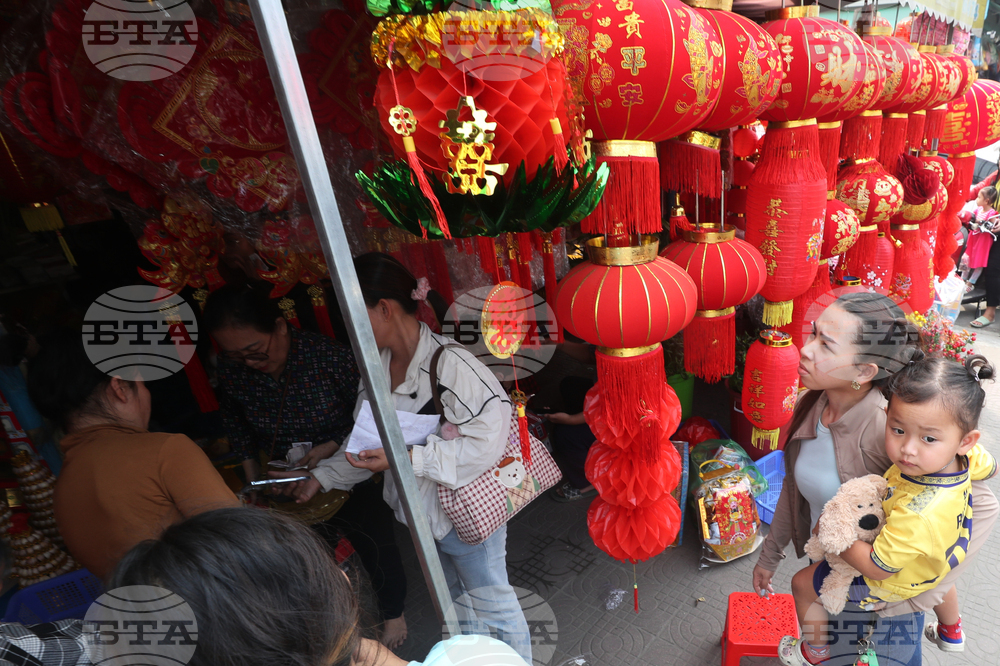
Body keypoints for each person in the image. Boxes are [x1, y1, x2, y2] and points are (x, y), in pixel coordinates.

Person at [286, 253, 532, 661]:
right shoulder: (377, 366)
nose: (348, 329)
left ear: (383, 308)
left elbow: (487, 441)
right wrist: (323, 477)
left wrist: (409, 459)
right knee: (455, 605)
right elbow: (367, 441)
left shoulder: (451, 364)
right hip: (421, 518)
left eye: (353, 315)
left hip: (466, 514)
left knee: (494, 604)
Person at [750, 292, 999, 654]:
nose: (806, 350)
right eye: (814, 334)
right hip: (836, 568)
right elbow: (793, 488)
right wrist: (769, 556)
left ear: (864, 372)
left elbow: (979, 507)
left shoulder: (893, 432)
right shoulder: (813, 404)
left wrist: (921, 594)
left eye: (826, 345)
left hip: (884, 596)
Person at [203, 283, 409, 648]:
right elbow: (237, 427)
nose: (250, 363)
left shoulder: (327, 357)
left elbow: (370, 418)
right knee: (309, 566)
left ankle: (393, 613)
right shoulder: (236, 374)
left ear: (280, 326)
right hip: (284, 482)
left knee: (375, 546)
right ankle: (336, 630)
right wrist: (256, 484)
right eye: (237, 357)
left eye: (255, 350)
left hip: (348, 467)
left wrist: (329, 447)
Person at [24, 330, 240, 579]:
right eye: (142, 383)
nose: (146, 394)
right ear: (120, 388)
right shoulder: (165, 450)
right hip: (212, 609)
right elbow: (242, 544)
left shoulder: (62, 491)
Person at [962, 187, 998, 294]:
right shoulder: (977, 210)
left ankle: (970, 283)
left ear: (986, 201)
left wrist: (985, 223)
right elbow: (971, 218)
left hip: (983, 242)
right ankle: (962, 278)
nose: (976, 199)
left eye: (979, 197)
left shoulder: (991, 213)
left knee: (979, 262)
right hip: (973, 238)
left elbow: (993, 225)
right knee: (966, 258)